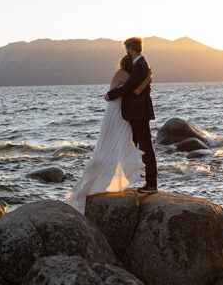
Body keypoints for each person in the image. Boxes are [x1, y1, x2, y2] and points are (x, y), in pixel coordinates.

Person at [64, 53, 153, 213]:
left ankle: (113, 178)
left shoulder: (122, 73)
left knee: (118, 144)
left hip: (118, 111)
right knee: (118, 143)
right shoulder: (124, 74)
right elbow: (137, 89)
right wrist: (147, 78)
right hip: (117, 113)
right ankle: (106, 179)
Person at [105, 37, 157, 194]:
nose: (126, 51)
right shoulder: (139, 65)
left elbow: (130, 87)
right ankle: (133, 179)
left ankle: (151, 184)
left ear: (131, 49)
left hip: (139, 112)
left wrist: (110, 94)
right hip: (136, 112)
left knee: (146, 147)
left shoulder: (140, 65)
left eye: (127, 48)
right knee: (136, 145)